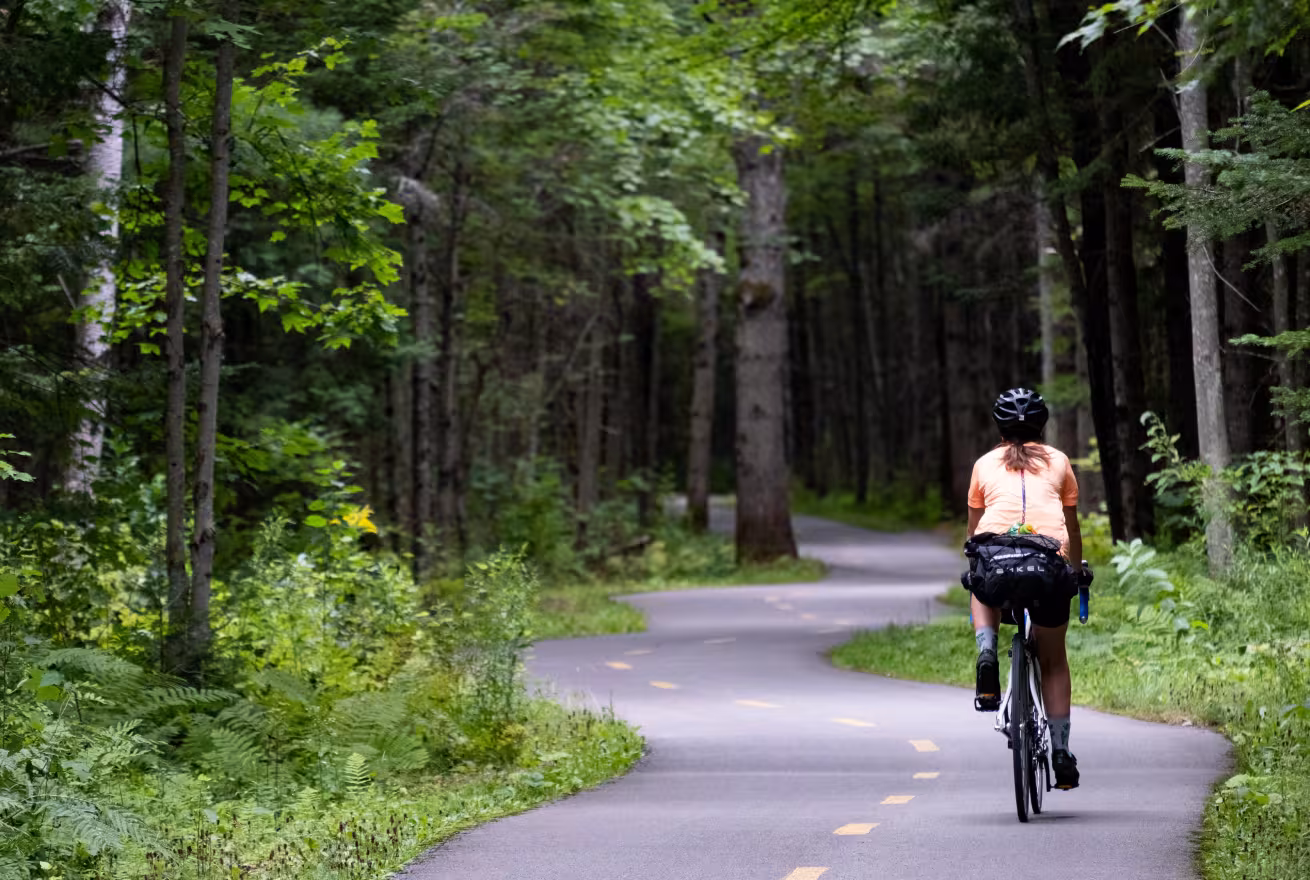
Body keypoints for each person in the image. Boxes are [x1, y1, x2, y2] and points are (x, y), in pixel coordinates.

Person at [967, 387, 1082, 790]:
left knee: (980, 577)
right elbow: (1070, 526)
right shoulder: (1060, 462)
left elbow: (973, 537)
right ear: (1042, 424)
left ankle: (986, 653)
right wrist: (1077, 569)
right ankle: (1062, 751)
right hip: (1049, 565)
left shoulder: (983, 465)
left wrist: (975, 565)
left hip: (998, 562)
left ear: (999, 428)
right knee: (1053, 660)